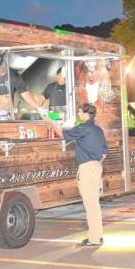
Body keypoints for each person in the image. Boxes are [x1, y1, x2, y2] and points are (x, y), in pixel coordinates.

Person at [49, 103, 108, 246]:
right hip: (97, 166)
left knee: (90, 205)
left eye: (79, 111)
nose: (78, 113)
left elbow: (62, 134)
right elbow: (105, 151)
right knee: (95, 203)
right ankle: (98, 235)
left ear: (86, 113)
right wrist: (96, 162)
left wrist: (50, 121)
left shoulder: (83, 128)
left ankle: (94, 239)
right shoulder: (98, 129)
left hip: (87, 168)